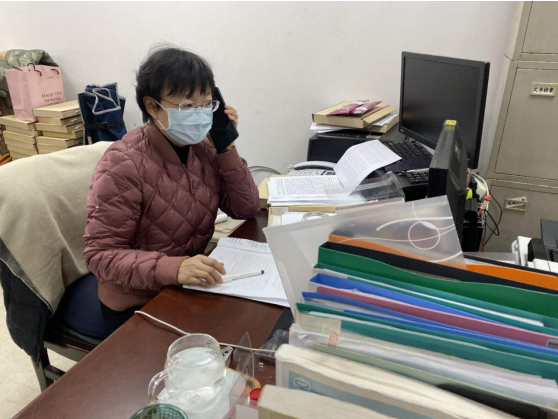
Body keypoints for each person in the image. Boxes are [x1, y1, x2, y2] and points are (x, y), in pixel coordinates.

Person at [84, 46, 259, 332]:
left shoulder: (204, 146)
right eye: (188, 106)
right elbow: (100, 255)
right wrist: (173, 268)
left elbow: (246, 207)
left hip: (188, 284)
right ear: (152, 106)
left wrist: (226, 145)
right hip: (137, 299)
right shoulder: (123, 163)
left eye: (207, 104)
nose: (200, 114)